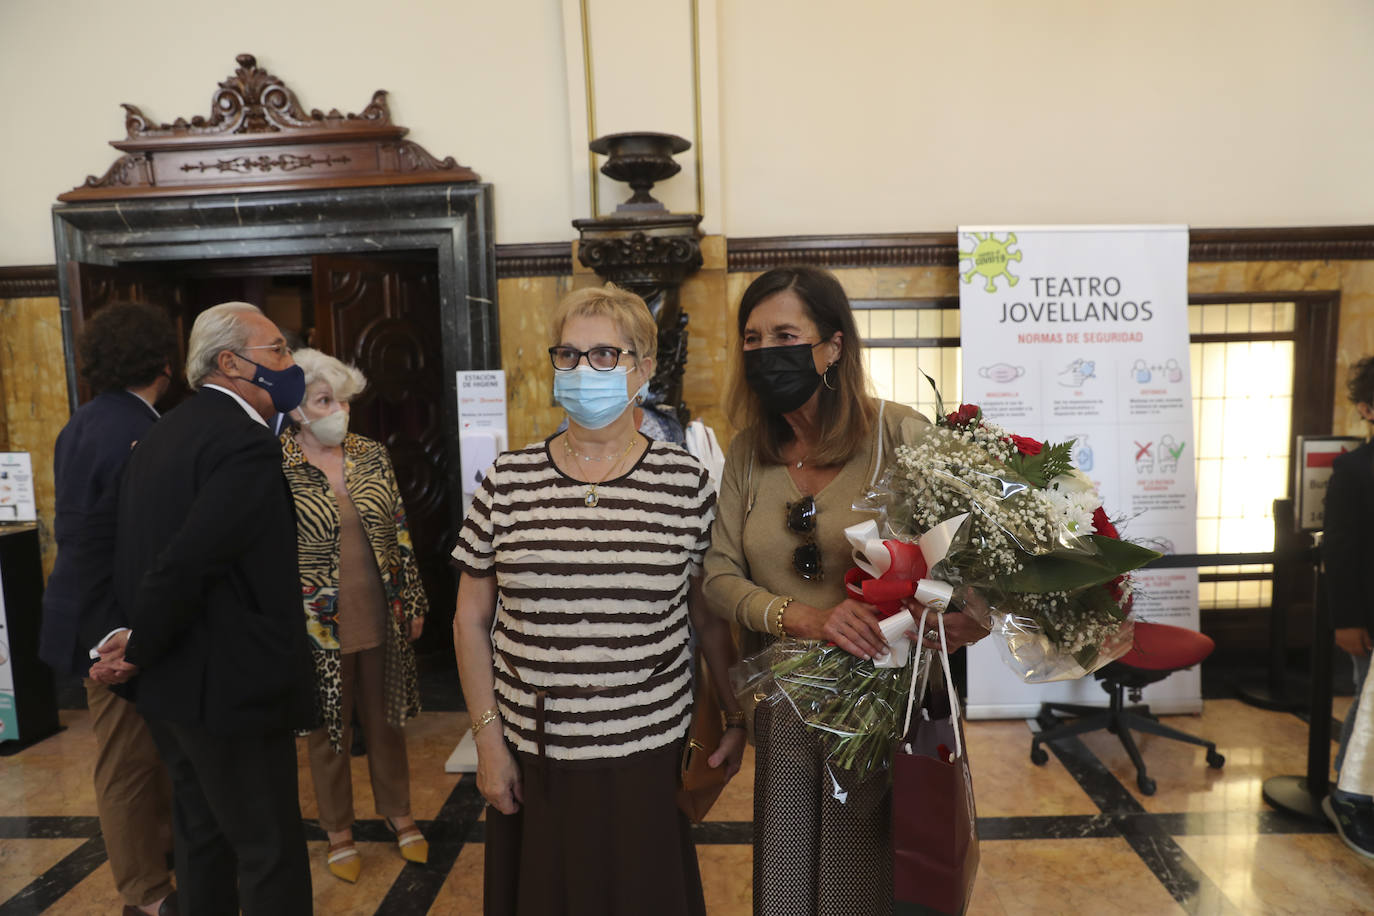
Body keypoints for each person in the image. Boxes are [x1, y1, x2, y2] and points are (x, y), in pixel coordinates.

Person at [701, 266, 990, 916]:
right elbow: (718, 578)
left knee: (871, 879)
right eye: (751, 339)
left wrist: (964, 611)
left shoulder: (901, 436)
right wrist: (803, 617)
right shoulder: (749, 454)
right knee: (790, 882)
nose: (764, 353)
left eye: (783, 334)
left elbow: (971, 566)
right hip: (785, 712)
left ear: (832, 346)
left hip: (884, 708)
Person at [452, 284, 745, 916]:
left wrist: (736, 714)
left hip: (647, 753)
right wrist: (488, 742)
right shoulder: (507, 481)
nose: (584, 370)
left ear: (643, 369)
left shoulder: (685, 484)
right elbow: (471, 620)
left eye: (606, 356)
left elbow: (709, 619)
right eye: (569, 354)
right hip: (535, 755)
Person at [96, 301, 315, 914]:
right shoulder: (243, 443)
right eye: (277, 350)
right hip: (231, 691)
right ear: (231, 362)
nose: (289, 362)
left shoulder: (162, 432)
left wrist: (141, 643)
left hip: (174, 688)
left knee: (203, 840)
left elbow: (139, 555)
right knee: (269, 850)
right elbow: (189, 560)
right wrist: (138, 644)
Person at [38, 302, 179, 916]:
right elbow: (110, 545)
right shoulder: (140, 432)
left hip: (93, 615)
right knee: (127, 764)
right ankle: (144, 896)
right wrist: (113, 639)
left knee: (147, 756)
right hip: (114, 626)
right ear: (164, 363)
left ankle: (163, 859)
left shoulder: (83, 421)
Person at [281, 348, 429, 881]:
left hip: (380, 610)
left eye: (343, 400)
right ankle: (338, 831)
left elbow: (400, 529)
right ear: (297, 408)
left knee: (387, 721)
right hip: (317, 624)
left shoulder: (369, 453)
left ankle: (401, 815)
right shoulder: (277, 463)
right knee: (329, 732)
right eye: (325, 400)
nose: (338, 410)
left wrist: (412, 600)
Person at [1323, 356, 1374, 776]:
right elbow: (1340, 550)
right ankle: (1350, 794)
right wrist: (1347, 621)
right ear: (1366, 409)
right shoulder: (1354, 469)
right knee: (1369, 701)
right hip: (1369, 612)